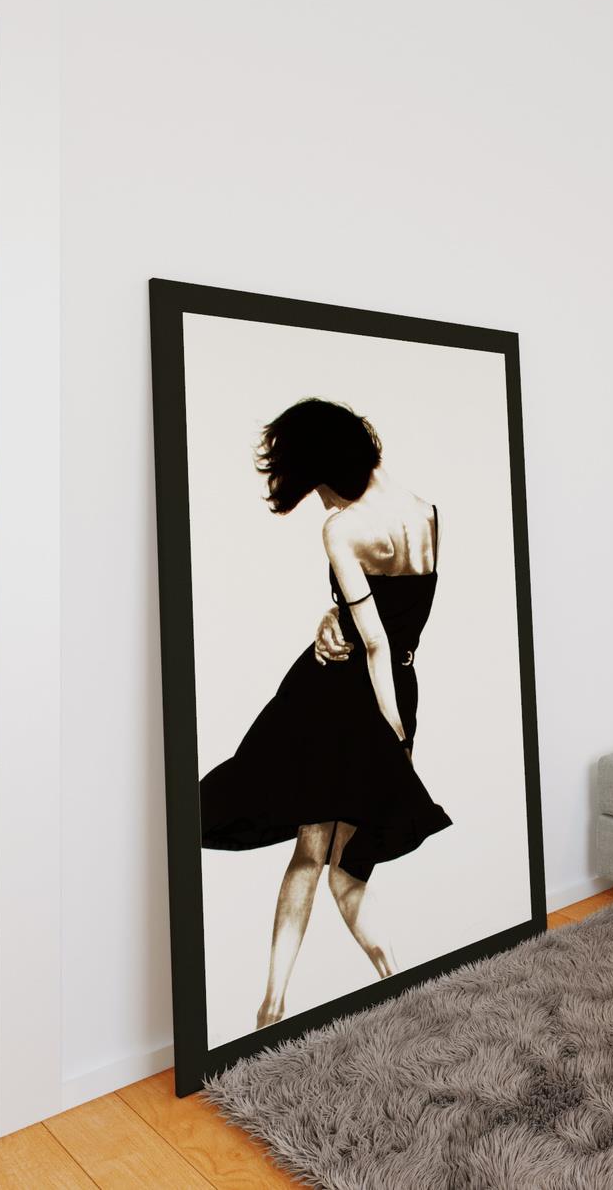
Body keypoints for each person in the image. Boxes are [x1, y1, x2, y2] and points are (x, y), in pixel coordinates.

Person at [199, 398, 452, 1028]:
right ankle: (375, 990)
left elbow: (375, 642)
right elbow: (393, 625)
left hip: (340, 697)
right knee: (342, 865)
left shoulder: (343, 528)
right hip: (393, 688)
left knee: (315, 857)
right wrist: (400, 727)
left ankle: (275, 1007)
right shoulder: (427, 513)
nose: (320, 501)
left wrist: (392, 734)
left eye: (315, 485)